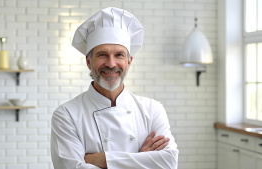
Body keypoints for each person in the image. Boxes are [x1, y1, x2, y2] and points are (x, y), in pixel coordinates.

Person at [51, 7, 179, 169]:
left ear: (129, 62)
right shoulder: (67, 114)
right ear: (89, 62)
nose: (111, 64)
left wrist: (100, 160)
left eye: (119, 55)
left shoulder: (152, 110)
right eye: (102, 54)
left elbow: (169, 163)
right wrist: (141, 159)